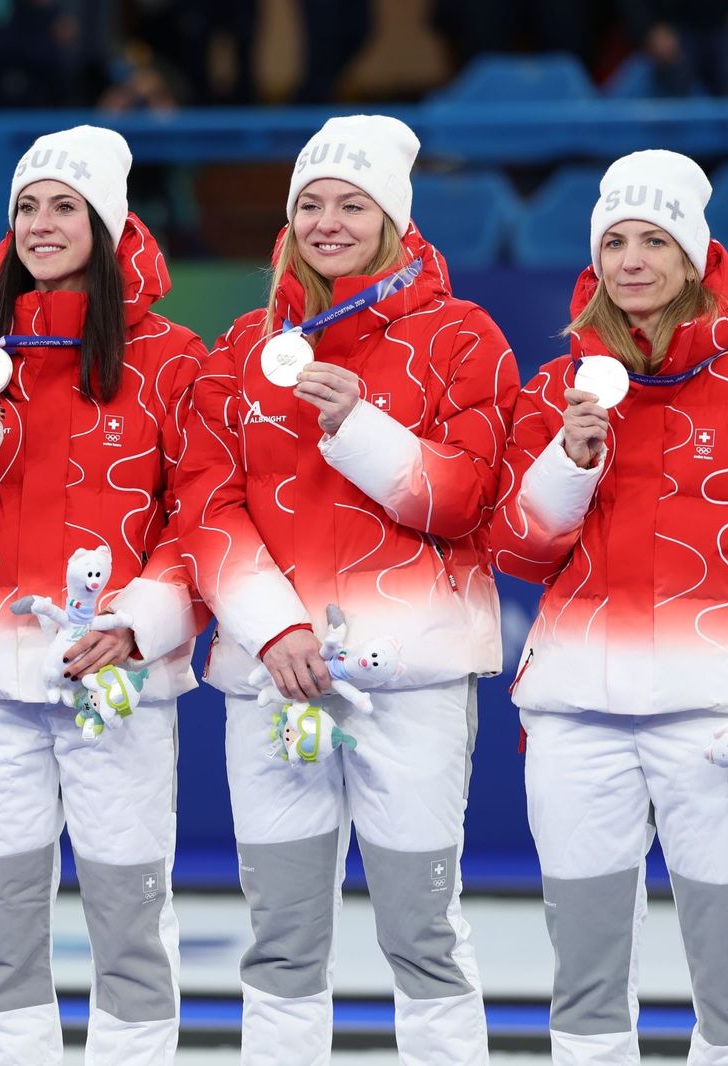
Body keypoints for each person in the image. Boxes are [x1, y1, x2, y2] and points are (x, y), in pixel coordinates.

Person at [174, 115, 518, 1066]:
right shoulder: (246, 346)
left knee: (424, 933)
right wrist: (272, 629)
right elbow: (205, 503)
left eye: (352, 204)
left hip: (409, 679)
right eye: (311, 204)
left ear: (393, 221)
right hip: (272, 680)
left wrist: (359, 428)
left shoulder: (463, 338)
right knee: (281, 939)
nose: (328, 222)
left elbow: (465, 500)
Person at [489, 149, 728, 1065]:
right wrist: (570, 458)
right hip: (575, 720)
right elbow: (519, 549)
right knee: (586, 969)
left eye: (655, 240)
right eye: (614, 241)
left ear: (695, 259)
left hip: (716, 722)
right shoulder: (553, 390)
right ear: (594, 261)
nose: (633, 259)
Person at [0, 125, 207, 1066]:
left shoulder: (174, 359)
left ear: (106, 226)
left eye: (64, 206)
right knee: (2, 925)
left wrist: (139, 626)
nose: (40, 223)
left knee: (131, 921)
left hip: (118, 683)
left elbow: (203, 521)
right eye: (26, 206)